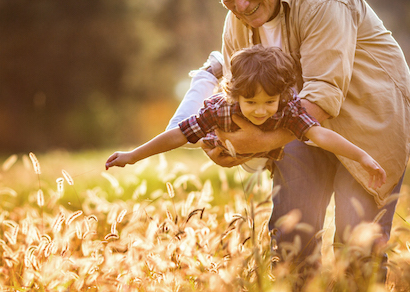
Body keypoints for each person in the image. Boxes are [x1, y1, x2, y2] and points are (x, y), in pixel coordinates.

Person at [167, 0, 410, 264]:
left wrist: (252, 144)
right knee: (291, 236)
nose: (240, 6)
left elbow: (320, 98)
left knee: (357, 243)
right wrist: (224, 142)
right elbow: (237, 95)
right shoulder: (237, 20)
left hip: (368, 121)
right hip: (297, 124)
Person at [107, 45, 387, 192]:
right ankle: (209, 72)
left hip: (259, 147)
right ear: (236, 96)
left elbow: (321, 135)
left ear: (282, 96)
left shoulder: (288, 108)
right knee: (183, 133)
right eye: (251, 102)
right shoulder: (220, 108)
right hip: (220, 132)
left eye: (269, 102)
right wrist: (133, 155)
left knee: (266, 157)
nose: (261, 110)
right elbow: (177, 134)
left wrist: (361, 156)